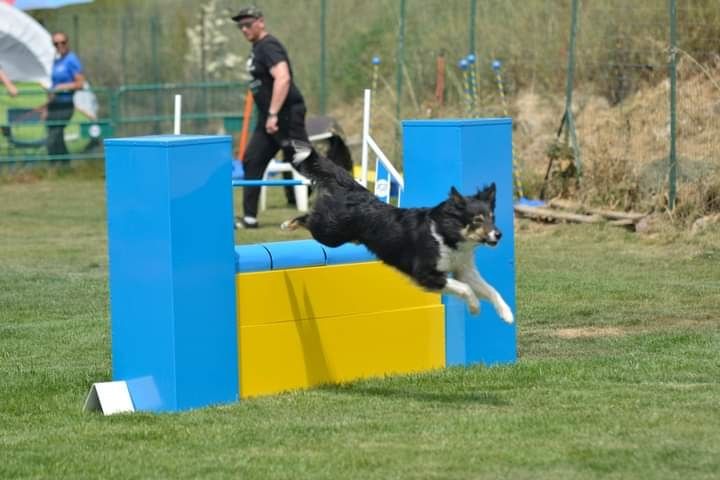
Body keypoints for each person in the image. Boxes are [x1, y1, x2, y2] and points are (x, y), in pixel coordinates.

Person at [231, 6, 314, 229]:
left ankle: (344, 197)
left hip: (284, 115)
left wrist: (273, 113)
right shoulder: (257, 48)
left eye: (248, 24)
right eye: (240, 26)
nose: (244, 29)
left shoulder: (269, 45)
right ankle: (249, 218)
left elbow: (283, 78)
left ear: (261, 22)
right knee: (252, 160)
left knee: (303, 161)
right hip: (268, 119)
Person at [45, 31, 85, 160]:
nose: (59, 46)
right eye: (55, 43)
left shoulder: (71, 60)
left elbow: (80, 83)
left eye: (62, 42)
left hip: (65, 104)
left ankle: (61, 164)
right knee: (56, 136)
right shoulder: (56, 61)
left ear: (67, 43)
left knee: (54, 137)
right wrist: (47, 105)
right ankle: (61, 166)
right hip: (54, 104)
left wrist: (62, 87)